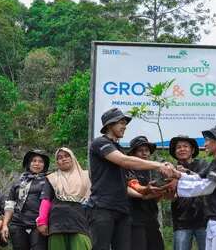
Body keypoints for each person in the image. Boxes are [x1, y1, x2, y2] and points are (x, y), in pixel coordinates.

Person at [87, 107, 173, 250]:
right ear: (109, 125)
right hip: (102, 207)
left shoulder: (120, 149)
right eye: (121, 123)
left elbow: (125, 185)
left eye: (125, 123)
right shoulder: (100, 143)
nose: (124, 127)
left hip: (123, 210)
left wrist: (145, 193)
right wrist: (158, 165)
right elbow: (124, 161)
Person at [170, 125, 216, 250]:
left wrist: (178, 187)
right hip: (215, 220)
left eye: (208, 140)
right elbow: (198, 178)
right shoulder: (215, 161)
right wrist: (177, 174)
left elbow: (207, 186)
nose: (205, 144)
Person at [37, 147, 92, 250]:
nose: (64, 159)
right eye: (60, 157)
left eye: (67, 156)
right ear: (57, 162)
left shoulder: (86, 176)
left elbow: (94, 198)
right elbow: (46, 200)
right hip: (57, 223)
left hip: (80, 222)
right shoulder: (52, 178)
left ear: (73, 158)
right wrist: (42, 221)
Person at [1, 149, 51, 250]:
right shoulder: (18, 182)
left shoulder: (49, 180)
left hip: (38, 224)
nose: (37, 164)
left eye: (40, 161)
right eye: (34, 161)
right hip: (18, 223)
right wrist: (5, 225)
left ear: (44, 165)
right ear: (28, 163)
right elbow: (10, 205)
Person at [126, 136, 165, 250]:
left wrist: (163, 191)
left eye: (147, 150)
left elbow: (157, 197)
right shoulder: (128, 169)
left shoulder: (153, 171)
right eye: (140, 151)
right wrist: (146, 192)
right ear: (133, 154)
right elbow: (133, 188)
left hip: (152, 218)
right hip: (135, 220)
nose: (144, 153)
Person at [169, 135, 208, 250]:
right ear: (175, 152)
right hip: (181, 221)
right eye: (178, 147)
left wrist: (185, 173)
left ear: (192, 150)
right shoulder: (170, 169)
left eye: (185, 146)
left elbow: (207, 182)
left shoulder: (203, 164)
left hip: (204, 220)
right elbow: (170, 195)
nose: (182, 149)